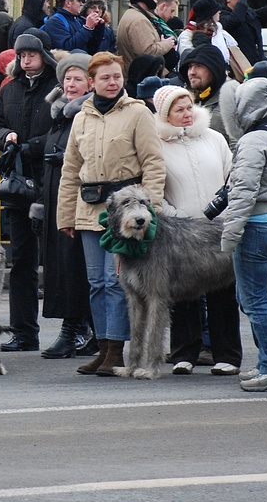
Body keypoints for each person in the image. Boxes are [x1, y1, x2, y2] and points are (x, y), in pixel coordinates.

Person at [57, 52, 166, 377]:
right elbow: (71, 169)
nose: (112, 82)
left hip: (127, 211)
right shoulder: (82, 116)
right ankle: (103, 346)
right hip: (90, 209)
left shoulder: (137, 113)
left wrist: (152, 210)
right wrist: (65, 216)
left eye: (117, 76)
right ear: (92, 82)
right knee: (95, 282)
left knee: (115, 281)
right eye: (105, 77)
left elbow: (153, 164)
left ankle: (118, 349)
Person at [149, 85, 241, 376]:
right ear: (165, 115)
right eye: (179, 110)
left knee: (223, 288)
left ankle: (226, 353)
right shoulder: (156, 144)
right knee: (182, 291)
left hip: (219, 228)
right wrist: (175, 215)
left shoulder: (214, 138)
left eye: (189, 107)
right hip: (180, 232)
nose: (187, 114)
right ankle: (184, 352)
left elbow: (232, 176)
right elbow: (154, 188)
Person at [216, 78, 267, 392]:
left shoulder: (251, 141)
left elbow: (243, 192)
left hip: (256, 226)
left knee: (255, 300)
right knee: (253, 297)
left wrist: (230, 234)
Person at [0, 33, 57, 351]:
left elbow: (62, 132)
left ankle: (78, 328)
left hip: (50, 182)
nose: (26, 60)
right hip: (18, 186)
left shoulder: (56, 87)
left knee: (61, 261)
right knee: (21, 261)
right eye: (21, 55)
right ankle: (24, 331)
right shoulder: (10, 87)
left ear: (44, 54)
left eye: (31, 54)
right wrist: (7, 136)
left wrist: (32, 146)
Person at [37, 52, 96, 359]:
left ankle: (72, 331)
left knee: (75, 269)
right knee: (63, 267)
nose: (71, 85)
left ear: (90, 82)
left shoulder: (86, 114)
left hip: (80, 199)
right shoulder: (59, 113)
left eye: (78, 79)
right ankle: (92, 329)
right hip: (57, 198)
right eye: (67, 79)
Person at [177, 42, 240, 147]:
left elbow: (238, 145)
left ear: (214, 69)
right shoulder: (187, 101)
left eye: (199, 66)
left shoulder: (233, 100)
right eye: (190, 67)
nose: (192, 72)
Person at [115, 0, 179, 72]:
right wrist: (167, 44)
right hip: (140, 76)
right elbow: (146, 52)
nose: (156, 1)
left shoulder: (134, 15)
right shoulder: (139, 20)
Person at [176, 0, 238, 66]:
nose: (219, 12)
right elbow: (188, 57)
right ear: (210, 15)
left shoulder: (220, 32)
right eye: (216, 10)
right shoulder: (187, 35)